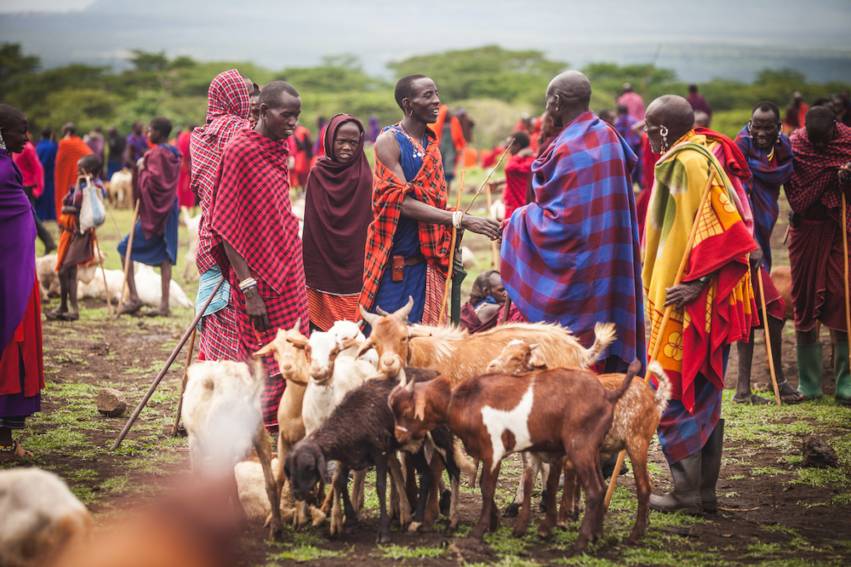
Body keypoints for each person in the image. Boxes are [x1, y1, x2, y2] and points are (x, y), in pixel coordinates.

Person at [642, 95, 757, 513]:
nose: (646, 134)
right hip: (690, 295)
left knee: (674, 390)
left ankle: (688, 493)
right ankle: (702, 493)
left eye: (650, 127)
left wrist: (695, 284)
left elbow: (731, 235)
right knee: (700, 390)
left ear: (666, 129)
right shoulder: (697, 155)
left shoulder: (686, 163)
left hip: (689, 299)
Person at [501, 70, 646, 373]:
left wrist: (517, 220)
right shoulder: (608, 134)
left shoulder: (566, 146)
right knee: (607, 323)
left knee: (574, 346)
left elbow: (558, 221)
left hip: (580, 262)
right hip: (609, 254)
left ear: (555, 102)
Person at [359, 75, 500, 324]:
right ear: (408, 104)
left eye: (436, 93)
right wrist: (460, 219)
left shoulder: (431, 144)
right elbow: (398, 201)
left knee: (426, 344)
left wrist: (457, 223)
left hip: (427, 264)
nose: (437, 101)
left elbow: (434, 200)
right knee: (388, 343)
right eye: (428, 96)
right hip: (396, 267)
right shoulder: (389, 141)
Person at [209, 81, 309, 431]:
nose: (293, 123)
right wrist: (249, 289)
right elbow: (226, 225)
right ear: (263, 112)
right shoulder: (242, 151)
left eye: (297, 116)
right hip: (259, 279)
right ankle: (262, 438)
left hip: (290, 269)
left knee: (296, 351)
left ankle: (290, 432)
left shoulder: (276, 148)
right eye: (286, 115)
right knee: (269, 359)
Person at [734, 102, 803, 404]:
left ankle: (752, 388)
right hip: (745, 242)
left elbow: (791, 184)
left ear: (779, 129)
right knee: (769, 310)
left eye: (767, 127)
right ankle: (751, 387)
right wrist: (749, 242)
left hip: (765, 230)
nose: (760, 132)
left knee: (756, 311)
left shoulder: (784, 150)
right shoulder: (740, 149)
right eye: (755, 126)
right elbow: (735, 198)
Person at [786, 106, 851, 405]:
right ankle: (809, 385)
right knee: (805, 301)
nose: (821, 147)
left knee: (842, 299)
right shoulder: (797, 144)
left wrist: (847, 185)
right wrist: (830, 177)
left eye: (825, 141)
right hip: (807, 231)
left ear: (835, 128)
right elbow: (798, 201)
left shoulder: (848, 142)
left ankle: (845, 384)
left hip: (840, 231)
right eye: (816, 142)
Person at [191, 69, 254, 363]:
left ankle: (212, 372)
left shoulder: (199, 136)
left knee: (218, 318)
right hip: (243, 240)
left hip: (208, 239)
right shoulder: (245, 134)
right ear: (239, 98)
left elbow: (201, 190)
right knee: (239, 316)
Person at [0, 103, 45, 459]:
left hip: (15, 273)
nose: (26, 138)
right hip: (9, 280)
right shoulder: (2, 172)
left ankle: (4, 438)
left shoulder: (8, 166)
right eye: (20, 131)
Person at [302, 114, 372, 331]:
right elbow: (312, 225)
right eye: (341, 141)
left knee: (354, 331)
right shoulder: (317, 173)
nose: (346, 147)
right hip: (322, 258)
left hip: (355, 259)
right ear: (330, 140)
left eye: (353, 143)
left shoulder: (365, 176)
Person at [117, 117, 180, 317]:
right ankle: (163, 305)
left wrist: (142, 169)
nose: (147, 133)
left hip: (155, 211)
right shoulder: (174, 153)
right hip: (169, 208)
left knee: (123, 248)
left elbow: (154, 183)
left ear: (159, 133)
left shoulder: (154, 154)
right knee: (165, 256)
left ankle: (134, 298)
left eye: (151, 130)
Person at [48, 155, 104, 321]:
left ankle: (71, 308)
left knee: (66, 268)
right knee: (67, 270)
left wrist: (69, 205)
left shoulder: (93, 187)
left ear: (91, 171)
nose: (78, 171)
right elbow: (69, 203)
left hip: (81, 233)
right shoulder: (79, 185)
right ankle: (66, 307)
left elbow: (81, 207)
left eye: (81, 169)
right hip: (69, 231)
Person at [12, 133, 55, 253]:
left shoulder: (28, 148)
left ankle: (48, 241)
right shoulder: (14, 147)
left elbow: (38, 168)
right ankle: (47, 241)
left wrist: (39, 188)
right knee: (28, 217)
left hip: (27, 187)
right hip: (19, 185)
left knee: (30, 217)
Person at [54, 123, 92, 221]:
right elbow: (91, 155)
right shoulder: (79, 142)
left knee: (65, 198)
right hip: (78, 176)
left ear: (67, 132)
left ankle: (64, 219)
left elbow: (59, 162)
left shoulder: (64, 143)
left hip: (64, 177)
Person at [502, 132, 534, 218]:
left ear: (517, 146)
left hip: (519, 208)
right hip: (515, 207)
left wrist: (519, 155)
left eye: (509, 145)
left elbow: (509, 169)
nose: (507, 148)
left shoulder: (530, 161)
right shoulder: (521, 160)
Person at [35, 128, 58, 222]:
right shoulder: (53, 146)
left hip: (39, 173)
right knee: (51, 193)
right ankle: (51, 215)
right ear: (50, 134)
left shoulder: (38, 146)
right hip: (50, 173)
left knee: (41, 193)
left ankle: (41, 215)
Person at [176, 126, 194, 210]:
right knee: (187, 188)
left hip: (180, 164)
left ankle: (180, 207)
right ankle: (187, 209)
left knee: (180, 187)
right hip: (188, 165)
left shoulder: (181, 136)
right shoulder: (192, 136)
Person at [290, 124, 313, 189]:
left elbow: (309, 144)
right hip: (301, 155)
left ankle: (300, 189)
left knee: (299, 174)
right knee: (302, 174)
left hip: (300, 155)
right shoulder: (303, 131)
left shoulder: (302, 131)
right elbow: (310, 144)